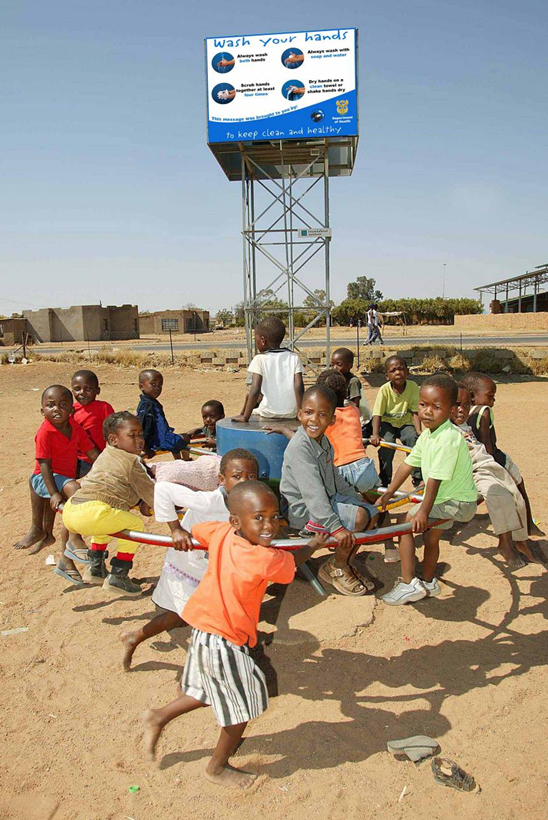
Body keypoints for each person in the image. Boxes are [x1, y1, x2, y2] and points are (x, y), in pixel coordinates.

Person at [142, 481, 328, 789]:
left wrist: (182, 533)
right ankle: (217, 766)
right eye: (259, 517)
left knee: (206, 691)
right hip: (223, 638)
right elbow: (291, 565)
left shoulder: (222, 532)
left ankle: (159, 716)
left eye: (274, 516)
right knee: (242, 705)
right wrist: (313, 545)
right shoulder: (265, 558)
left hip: (202, 628)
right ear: (236, 520)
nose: (269, 526)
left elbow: (201, 528)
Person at [121, 448, 259, 671]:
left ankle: (136, 637)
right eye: (237, 476)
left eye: (250, 477)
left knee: (200, 614)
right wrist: (176, 529)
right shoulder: (210, 501)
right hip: (190, 562)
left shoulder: (252, 501)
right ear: (222, 480)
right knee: (186, 616)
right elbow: (163, 489)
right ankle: (140, 640)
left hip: (216, 565)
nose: (244, 482)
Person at [377, 374, 477, 605]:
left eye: (436, 407)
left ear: (452, 410)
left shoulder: (448, 438)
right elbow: (407, 464)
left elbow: (435, 480)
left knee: (404, 523)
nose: (427, 412)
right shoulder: (429, 434)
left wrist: (422, 511)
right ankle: (429, 581)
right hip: (448, 499)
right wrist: (389, 493)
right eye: (423, 405)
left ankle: (409, 583)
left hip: (456, 502)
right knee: (432, 538)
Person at [280, 385, 379, 596]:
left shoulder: (323, 441)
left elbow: (335, 477)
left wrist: (356, 498)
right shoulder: (300, 448)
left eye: (322, 414)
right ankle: (337, 567)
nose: (314, 419)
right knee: (359, 517)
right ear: (299, 414)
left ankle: (340, 564)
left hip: (324, 501)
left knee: (370, 513)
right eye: (308, 412)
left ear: (332, 420)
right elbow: (312, 494)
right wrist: (335, 527)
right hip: (303, 511)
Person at [61, 411, 156, 595]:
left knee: (108, 519)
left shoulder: (106, 454)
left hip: (72, 510)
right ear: (113, 439)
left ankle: (96, 568)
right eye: (132, 435)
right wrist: (168, 509)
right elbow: (150, 491)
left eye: (140, 434)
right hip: (93, 512)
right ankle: (119, 576)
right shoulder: (133, 461)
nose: (139, 440)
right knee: (134, 524)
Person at [452, 385, 544, 568]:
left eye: (466, 405)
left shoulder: (464, 425)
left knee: (515, 494)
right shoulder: (446, 430)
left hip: (488, 466)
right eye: (456, 405)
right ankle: (504, 543)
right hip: (472, 473)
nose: (462, 410)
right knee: (498, 496)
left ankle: (521, 540)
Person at [14, 386, 99, 571]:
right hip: (44, 478)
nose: (56, 409)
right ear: (42, 410)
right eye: (50, 405)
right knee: (75, 489)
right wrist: (53, 492)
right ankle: (75, 538)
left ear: (71, 409)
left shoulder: (74, 427)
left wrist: (108, 466)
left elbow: (91, 452)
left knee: (72, 505)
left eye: (62, 405)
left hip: (63, 477)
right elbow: (44, 465)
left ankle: (64, 558)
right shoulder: (45, 432)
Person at [461, 373, 542, 536]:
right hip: (496, 459)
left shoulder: (462, 413)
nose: (493, 401)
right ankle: (529, 524)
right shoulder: (484, 411)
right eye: (490, 396)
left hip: (474, 460)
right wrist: (495, 465)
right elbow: (487, 444)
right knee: (519, 487)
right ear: (472, 396)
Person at [316, 370, 379, 493]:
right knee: (372, 496)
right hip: (363, 467)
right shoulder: (354, 410)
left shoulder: (325, 417)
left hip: (338, 470)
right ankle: (378, 508)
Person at [232, 317, 304, 422]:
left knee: (251, 407)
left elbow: (255, 389)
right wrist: (300, 413)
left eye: (255, 339)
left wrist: (245, 417)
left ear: (262, 340)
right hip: (291, 413)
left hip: (268, 412)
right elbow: (299, 386)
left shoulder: (259, 359)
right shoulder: (294, 357)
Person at [370, 356, 422, 488]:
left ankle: (417, 476)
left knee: (413, 440)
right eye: (393, 371)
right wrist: (375, 434)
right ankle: (385, 479)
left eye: (401, 369)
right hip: (387, 423)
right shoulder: (384, 390)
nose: (398, 373)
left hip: (405, 422)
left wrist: (419, 430)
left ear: (408, 372)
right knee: (387, 445)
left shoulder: (413, 387)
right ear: (387, 376)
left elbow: (415, 411)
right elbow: (377, 413)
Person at [137, 369, 189, 459]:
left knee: (181, 437)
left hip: (159, 437)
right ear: (141, 386)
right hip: (159, 441)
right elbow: (144, 427)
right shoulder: (148, 405)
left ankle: (179, 461)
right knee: (185, 438)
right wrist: (146, 448)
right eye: (153, 384)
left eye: (160, 385)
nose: (157, 388)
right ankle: (184, 461)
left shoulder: (150, 402)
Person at [71, 369, 114, 478]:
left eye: (88, 389)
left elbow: (113, 432)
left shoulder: (103, 408)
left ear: (97, 390)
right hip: (73, 458)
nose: (82, 392)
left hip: (91, 460)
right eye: (77, 389)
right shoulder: (71, 410)